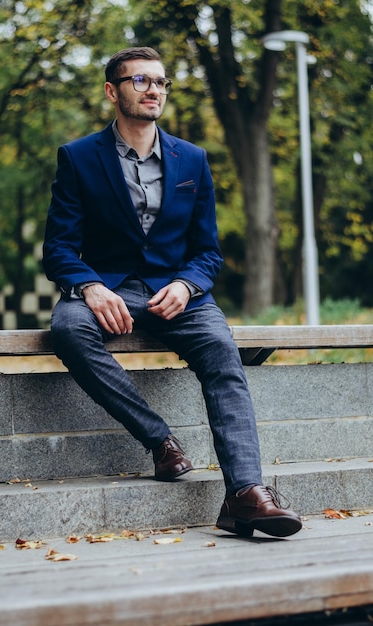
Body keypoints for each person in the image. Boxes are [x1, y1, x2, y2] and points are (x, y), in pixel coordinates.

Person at [43, 46, 302, 538]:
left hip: (177, 294)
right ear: (111, 91)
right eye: (140, 81)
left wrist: (187, 285)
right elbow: (58, 248)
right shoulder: (77, 158)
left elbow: (207, 251)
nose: (153, 90)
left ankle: (246, 493)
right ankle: (160, 440)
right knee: (67, 329)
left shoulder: (193, 160)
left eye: (160, 82)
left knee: (223, 353)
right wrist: (90, 286)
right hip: (109, 290)